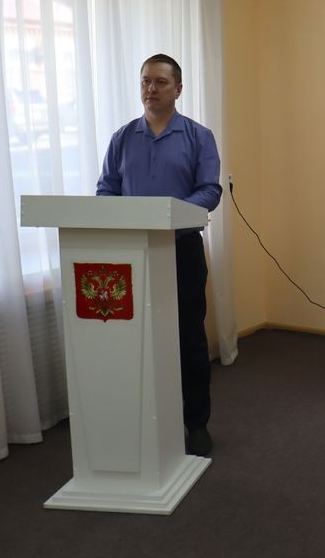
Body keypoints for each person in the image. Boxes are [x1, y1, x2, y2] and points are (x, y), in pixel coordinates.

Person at [96, 53, 222, 457]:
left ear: (178, 89)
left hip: (181, 250)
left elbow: (209, 190)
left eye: (160, 82)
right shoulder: (122, 138)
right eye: (145, 81)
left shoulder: (199, 137)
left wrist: (170, 217)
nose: (151, 89)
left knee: (189, 339)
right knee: (136, 339)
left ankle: (196, 424)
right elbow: (106, 190)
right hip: (133, 254)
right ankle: (144, 421)